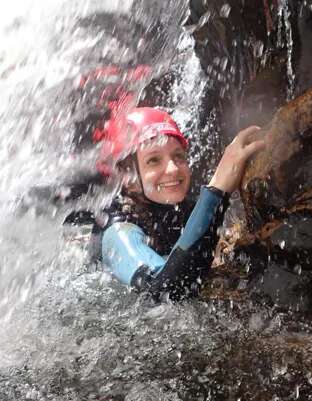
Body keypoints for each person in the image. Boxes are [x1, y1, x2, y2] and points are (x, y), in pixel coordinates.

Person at [90, 106, 264, 299]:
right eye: (154, 160)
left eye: (178, 156)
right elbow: (162, 294)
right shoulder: (118, 232)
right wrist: (218, 188)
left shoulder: (180, 209)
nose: (173, 169)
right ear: (127, 177)